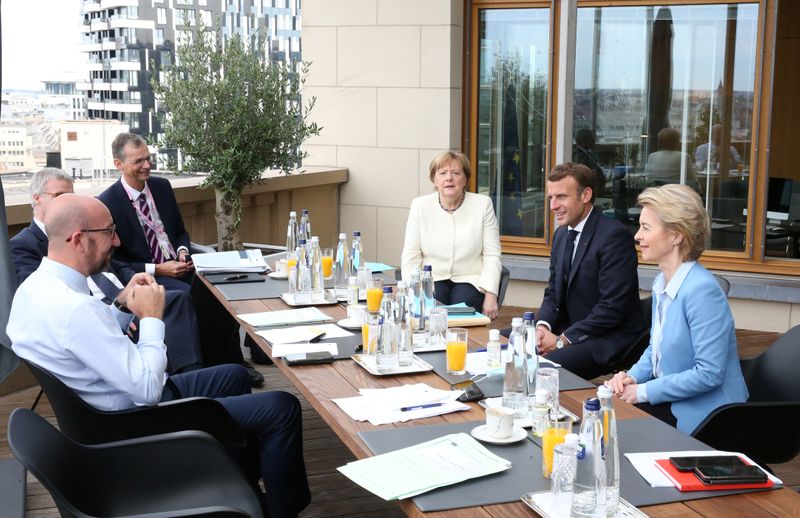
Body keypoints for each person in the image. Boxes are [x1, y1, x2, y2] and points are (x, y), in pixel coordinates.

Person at [7, 194, 310, 517]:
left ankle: (236, 479)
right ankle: (282, 510)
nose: (117, 240)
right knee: (282, 407)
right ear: (79, 239)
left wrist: (123, 304)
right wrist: (151, 318)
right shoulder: (75, 309)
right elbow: (148, 389)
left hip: (102, 413)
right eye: (109, 232)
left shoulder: (35, 290)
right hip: (135, 422)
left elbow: (85, 343)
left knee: (232, 375)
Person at [10, 168, 203, 374]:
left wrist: (133, 287)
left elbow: (113, 262)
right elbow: (50, 305)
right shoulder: (23, 245)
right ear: (36, 199)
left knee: (189, 298)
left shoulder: (84, 228)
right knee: (177, 306)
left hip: (120, 301)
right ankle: (190, 384)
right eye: (59, 196)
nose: (66, 201)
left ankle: (196, 375)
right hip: (94, 321)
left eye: (70, 195)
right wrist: (116, 313)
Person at [607, 185, 749, 434]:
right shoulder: (662, 282)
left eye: (646, 228)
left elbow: (709, 373)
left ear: (676, 236)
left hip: (712, 416)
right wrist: (631, 377)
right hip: (675, 400)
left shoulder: (701, 291)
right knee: (604, 419)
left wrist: (642, 392)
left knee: (614, 429)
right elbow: (656, 349)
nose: (637, 236)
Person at [535, 162, 644, 380]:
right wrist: (542, 327)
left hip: (606, 339)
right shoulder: (561, 234)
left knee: (543, 370)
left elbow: (612, 308)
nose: (553, 206)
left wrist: (562, 340)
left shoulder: (614, 237)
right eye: (550, 198)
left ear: (586, 195)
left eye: (561, 197)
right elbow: (553, 293)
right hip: (568, 330)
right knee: (505, 343)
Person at [401, 151, 502, 319]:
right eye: (442, 173)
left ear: (465, 180)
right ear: (434, 179)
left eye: (456, 173)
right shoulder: (420, 206)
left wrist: (491, 295)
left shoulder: (482, 205)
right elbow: (411, 255)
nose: (449, 178)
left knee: (461, 312)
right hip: (431, 279)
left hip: (470, 280)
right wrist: (412, 292)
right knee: (430, 310)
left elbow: (492, 254)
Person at [98, 133, 194, 292]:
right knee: (190, 294)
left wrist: (182, 251)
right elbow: (115, 260)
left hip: (181, 266)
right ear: (118, 164)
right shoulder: (107, 202)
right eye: (138, 161)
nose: (147, 165)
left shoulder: (162, 187)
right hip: (148, 277)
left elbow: (180, 232)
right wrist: (158, 269)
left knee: (217, 288)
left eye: (148, 158)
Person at [573, 128, 605, 197]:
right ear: (585, 140)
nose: (594, 141)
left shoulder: (589, 153)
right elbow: (581, 175)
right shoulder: (578, 156)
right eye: (592, 138)